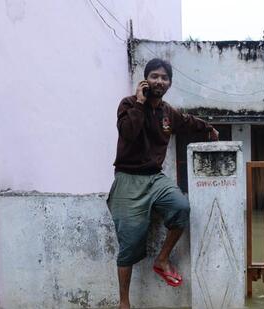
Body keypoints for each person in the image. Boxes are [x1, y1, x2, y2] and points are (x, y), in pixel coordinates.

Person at [107, 58, 219, 309]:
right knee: (130, 241)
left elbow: (188, 121)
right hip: (128, 177)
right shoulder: (128, 104)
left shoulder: (168, 112)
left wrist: (209, 128)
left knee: (181, 207)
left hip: (155, 178)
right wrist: (139, 102)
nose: (159, 81)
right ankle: (124, 303)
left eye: (164, 77)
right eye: (154, 76)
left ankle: (163, 259)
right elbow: (128, 133)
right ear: (146, 79)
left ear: (169, 83)